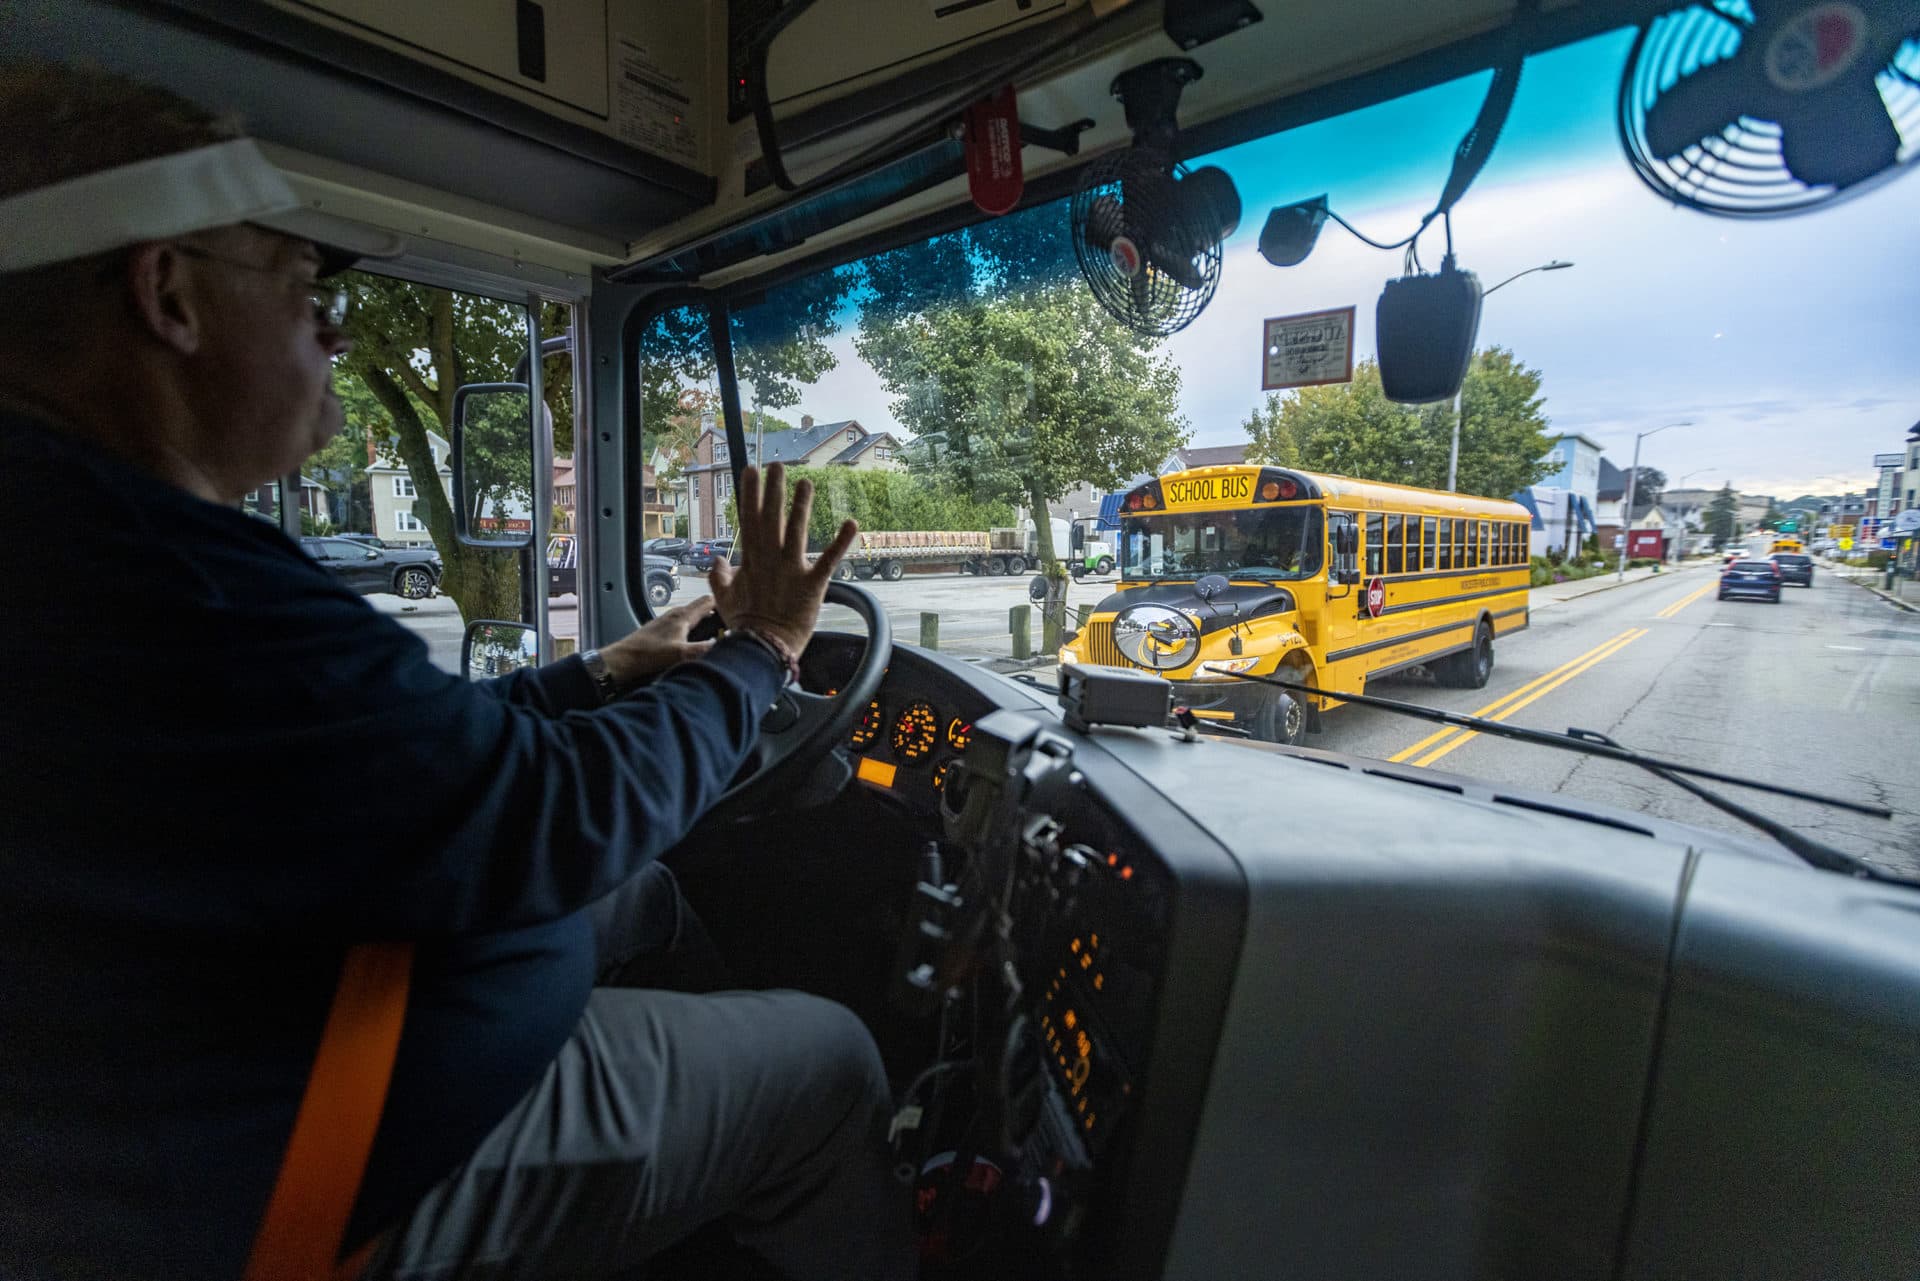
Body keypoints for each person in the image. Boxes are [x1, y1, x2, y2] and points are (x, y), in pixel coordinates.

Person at [0, 64, 914, 1281]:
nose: (330, 324)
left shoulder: (92, 540)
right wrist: (762, 653)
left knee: (643, 890)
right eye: (296, 278)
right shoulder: (163, 579)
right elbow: (559, 812)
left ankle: (692, 1185)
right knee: (834, 1058)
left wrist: (596, 676)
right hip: (303, 1177)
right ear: (166, 293)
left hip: (283, 1036)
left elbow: (389, 763)